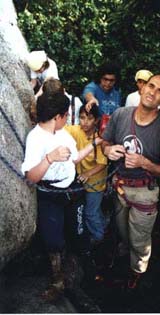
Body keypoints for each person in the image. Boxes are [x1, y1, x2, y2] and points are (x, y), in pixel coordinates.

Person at [101, 73, 160, 289]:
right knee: (123, 231)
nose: (153, 92)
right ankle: (126, 257)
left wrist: (145, 163)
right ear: (142, 88)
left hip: (145, 192)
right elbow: (105, 141)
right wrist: (108, 149)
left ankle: (137, 271)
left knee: (139, 239)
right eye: (151, 86)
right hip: (119, 187)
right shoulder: (120, 115)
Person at [21, 92, 102, 301]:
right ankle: (58, 279)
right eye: (66, 115)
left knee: (78, 231)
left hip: (72, 191)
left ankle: (85, 265)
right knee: (53, 239)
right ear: (58, 116)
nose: (68, 119)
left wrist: (96, 143)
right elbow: (31, 177)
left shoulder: (63, 133)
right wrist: (50, 158)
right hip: (51, 195)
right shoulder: (36, 138)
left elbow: (74, 158)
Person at [65, 104, 108, 245]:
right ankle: (103, 226)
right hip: (82, 180)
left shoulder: (100, 138)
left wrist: (88, 173)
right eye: (82, 118)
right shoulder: (76, 131)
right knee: (94, 209)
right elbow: (58, 128)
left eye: (89, 118)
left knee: (90, 212)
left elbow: (102, 163)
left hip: (96, 183)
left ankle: (98, 237)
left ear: (96, 120)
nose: (85, 122)